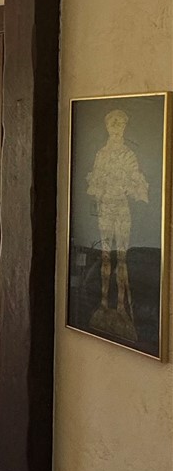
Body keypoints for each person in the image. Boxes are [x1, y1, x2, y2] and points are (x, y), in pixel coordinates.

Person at [86, 108, 149, 338]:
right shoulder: (101, 155)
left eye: (121, 123)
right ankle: (104, 304)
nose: (117, 127)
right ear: (107, 126)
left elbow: (139, 187)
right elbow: (93, 185)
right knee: (105, 256)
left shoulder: (129, 155)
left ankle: (121, 308)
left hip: (122, 208)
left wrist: (130, 187)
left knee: (121, 258)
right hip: (106, 209)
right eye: (113, 123)